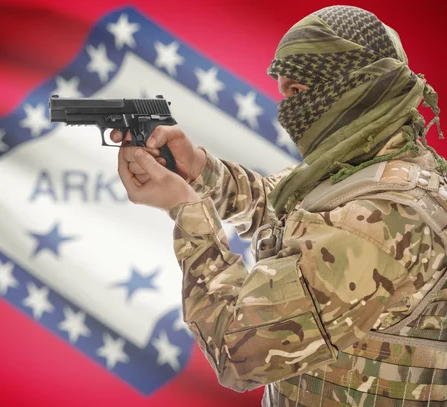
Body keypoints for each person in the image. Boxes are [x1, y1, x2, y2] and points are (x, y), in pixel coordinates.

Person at [111, 5, 447, 407]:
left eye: (299, 92)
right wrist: (199, 169)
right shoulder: (369, 168)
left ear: (355, 84)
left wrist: (187, 209)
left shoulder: (381, 221)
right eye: (283, 92)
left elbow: (239, 353)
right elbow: (281, 211)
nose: (287, 110)